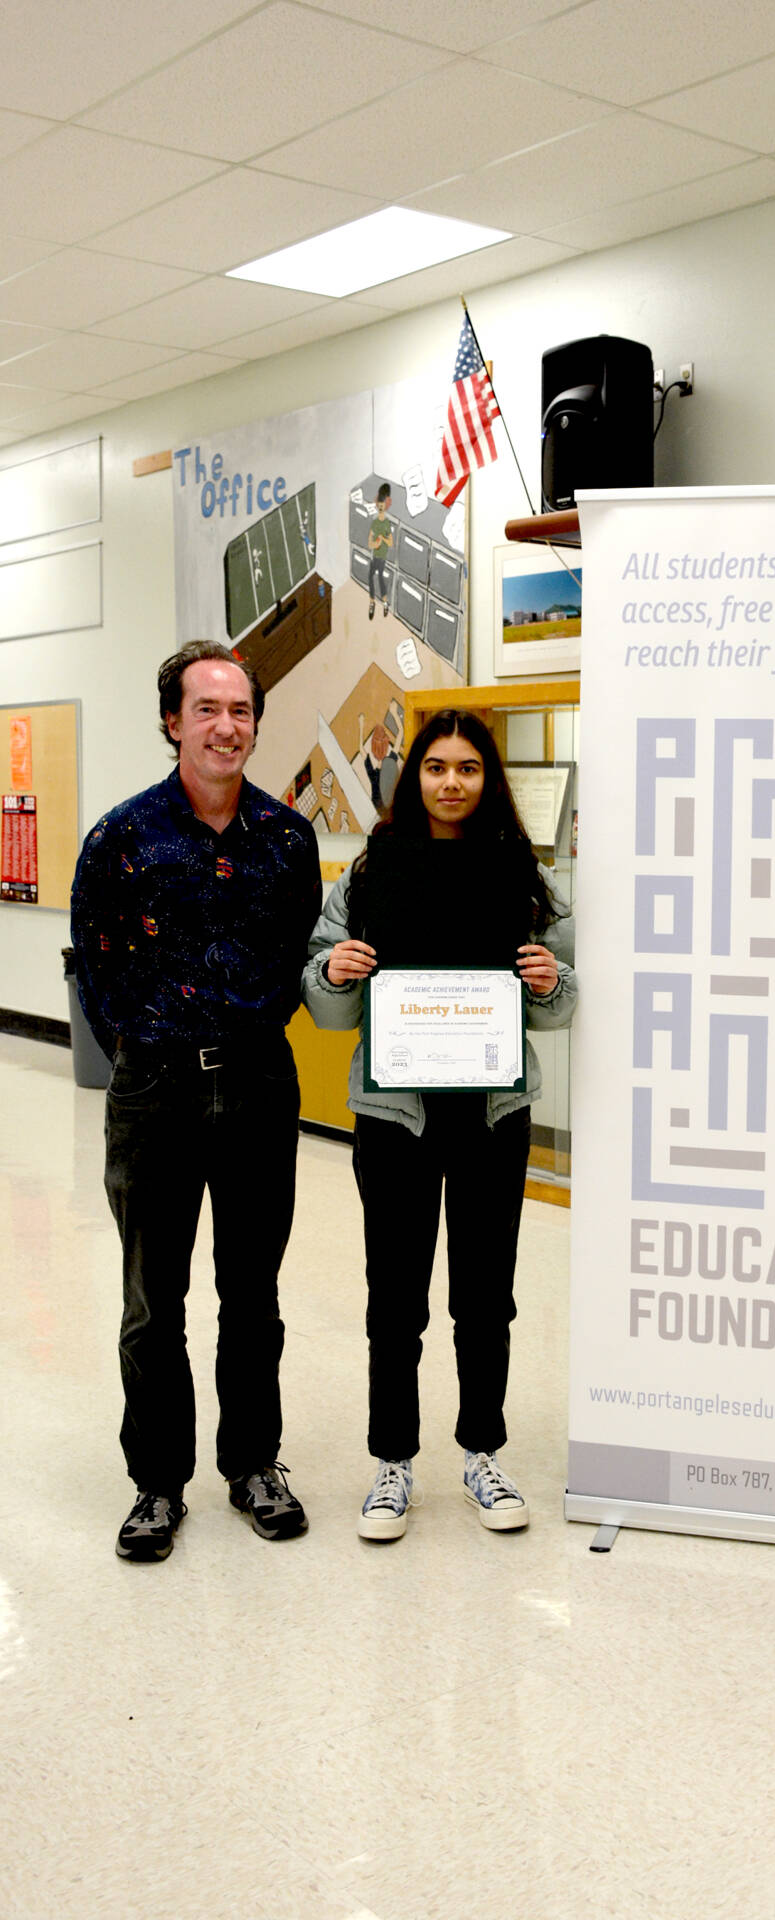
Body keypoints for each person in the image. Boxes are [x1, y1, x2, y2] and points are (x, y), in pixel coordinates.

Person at [71, 642, 320, 1562]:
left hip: (257, 1085)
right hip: (156, 1094)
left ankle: (254, 1464)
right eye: (207, 708)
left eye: (242, 710)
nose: (227, 726)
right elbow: (95, 966)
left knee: (253, 1295)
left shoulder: (287, 840)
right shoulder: (121, 839)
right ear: (174, 721)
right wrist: (149, 1050)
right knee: (153, 1300)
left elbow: (298, 961)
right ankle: (157, 1484)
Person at [302, 710, 577, 1540]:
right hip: (397, 1116)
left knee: (485, 1295)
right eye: (436, 767)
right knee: (395, 1295)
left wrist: (546, 980)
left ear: (487, 780)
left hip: (492, 1115)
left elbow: (566, 997)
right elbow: (322, 1000)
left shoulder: (522, 874)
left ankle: (482, 1452)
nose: (451, 782)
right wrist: (336, 969)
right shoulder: (369, 870)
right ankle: (392, 1462)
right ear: (412, 774)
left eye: (467, 768)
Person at [367, 482, 394, 620]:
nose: (380, 507)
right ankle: (372, 602)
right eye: (379, 505)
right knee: (370, 577)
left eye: (382, 505)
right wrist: (374, 544)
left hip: (382, 557)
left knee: (380, 578)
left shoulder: (386, 524)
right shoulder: (375, 522)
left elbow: (391, 542)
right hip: (375, 555)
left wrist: (382, 539)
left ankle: (384, 602)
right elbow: (369, 542)